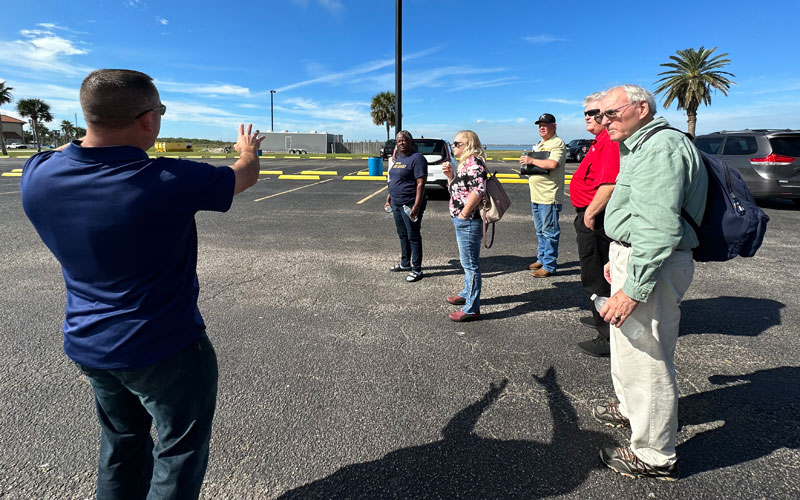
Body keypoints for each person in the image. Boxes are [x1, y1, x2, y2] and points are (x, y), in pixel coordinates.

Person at [20, 69, 264, 499]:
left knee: (121, 443)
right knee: (178, 452)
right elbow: (244, 174)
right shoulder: (167, 180)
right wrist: (246, 150)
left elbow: (67, 148)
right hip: (165, 345)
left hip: (89, 343)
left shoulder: (37, 174)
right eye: (160, 110)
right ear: (147, 120)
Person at [591, 84, 708, 481]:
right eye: (600, 115)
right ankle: (629, 410)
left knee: (648, 360)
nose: (603, 122)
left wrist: (633, 287)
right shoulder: (640, 146)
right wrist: (617, 258)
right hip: (635, 258)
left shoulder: (660, 148)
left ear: (642, 108)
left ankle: (655, 455)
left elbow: (658, 229)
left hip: (652, 268)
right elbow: (638, 214)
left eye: (610, 113)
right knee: (627, 349)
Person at [570, 92, 621, 357]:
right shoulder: (598, 141)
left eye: (595, 113)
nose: (589, 117)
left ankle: (609, 336)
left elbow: (610, 184)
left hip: (596, 219)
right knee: (595, 272)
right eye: (587, 113)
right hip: (591, 215)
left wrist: (589, 214)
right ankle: (600, 316)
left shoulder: (608, 143)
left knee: (598, 276)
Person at [442, 130, 488, 322]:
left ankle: (472, 308)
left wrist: (464, 214)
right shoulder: (464, 165)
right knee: (466, 262)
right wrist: (450, 176)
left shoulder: (474, 164)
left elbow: (479, 190)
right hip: (462, 220)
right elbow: (458, 191)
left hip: (468, 221)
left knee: (470, 265)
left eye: (456, 143)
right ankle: (467, 293)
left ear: (467, 145)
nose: (453, 146)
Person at [519, 113, 566, 277]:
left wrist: (531, 161)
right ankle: (542, 258)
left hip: (549, 196)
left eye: (545, 124)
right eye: (540, 125)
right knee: (540, 231)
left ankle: (549, 266)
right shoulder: (539, 144)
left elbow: (552, 164)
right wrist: (526, 165)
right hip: (536, 195)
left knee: (550, 232)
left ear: (554, 126)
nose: (542, 127)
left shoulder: (557, 143)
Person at [385, 130, 428, 282]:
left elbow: (421, 183)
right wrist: (389, 198)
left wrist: (416, 206)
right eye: (398, 141)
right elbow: (394, 180)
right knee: (402, 234)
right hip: (396, 203)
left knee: (413, 236)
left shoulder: (417, 159)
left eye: (404, 140)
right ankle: (405, 263)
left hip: (410, 203)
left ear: (410, 142)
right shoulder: (399, 159)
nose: (401, 143)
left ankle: (417, 269)